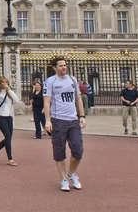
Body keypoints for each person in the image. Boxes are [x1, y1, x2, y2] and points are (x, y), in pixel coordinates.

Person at [44, 57, 86, 192]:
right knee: (59, 151)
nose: (64, 67)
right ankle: (63, 179)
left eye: (65, 65)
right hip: (58, 120)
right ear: (55, 68)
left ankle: (71, 173)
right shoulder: (50, 81)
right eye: (61, 65)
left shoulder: (72, 80)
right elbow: (47, 102)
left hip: (73, 120)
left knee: (78, 149)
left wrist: (82, 116)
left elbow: (78, 99)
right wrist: (47, 120)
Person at [0, 76, 18, 167]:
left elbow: (17, 101)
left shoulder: (10, 92)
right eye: (2, 82)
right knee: (7, 135)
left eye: (6, 82)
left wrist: (9, 90)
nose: (4, 84)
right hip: (0, 116)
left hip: (9, 116)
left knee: (8, 138)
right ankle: (10, 159)